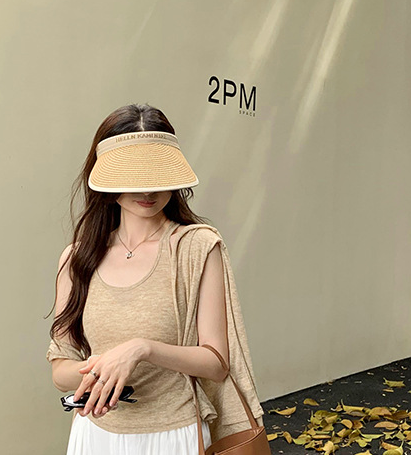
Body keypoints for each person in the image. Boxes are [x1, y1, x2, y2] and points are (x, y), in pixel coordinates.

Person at [46, 103, 264, 455]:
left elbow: (217, 363)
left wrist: (140, 349)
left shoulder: (196, 247)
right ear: (106, 179)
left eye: (158, 175)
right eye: (134, 176)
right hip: (95, 436)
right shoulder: (77, 259)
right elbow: (60, 370)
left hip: (174, 436)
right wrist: (103, 372)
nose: (147, 190)